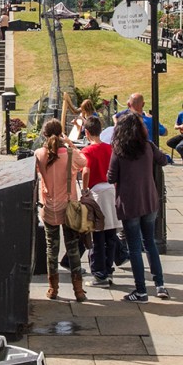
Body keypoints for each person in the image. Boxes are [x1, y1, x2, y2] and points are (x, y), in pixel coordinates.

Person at [107, 111, 170, 302]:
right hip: (149, 200)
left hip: (130, 203)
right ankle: (160, 285)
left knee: (134, 247)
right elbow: (164, 160)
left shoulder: (119, 150)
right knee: (149, 243)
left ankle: (141, 291)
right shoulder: (148, 146)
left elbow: (111, 177)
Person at [35, 118, 88, 302]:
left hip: (49, 207)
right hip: (69, 207)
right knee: (72, 248)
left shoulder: (40, 154)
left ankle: (53, 288)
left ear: (44, 134)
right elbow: (84, 162)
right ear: (60, 134)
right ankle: (78, 290)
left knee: (52, 249)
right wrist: (70, 143)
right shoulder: (70, 155)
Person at [79, 116, 118, 288]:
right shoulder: (110, 148)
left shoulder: (87, 151)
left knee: (97, 235)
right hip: (111, 190)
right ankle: (108, 270)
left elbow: (86, 170)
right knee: (111, 234)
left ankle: (99, 274)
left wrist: (84, 189)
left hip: (97, 193)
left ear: (86, 132)